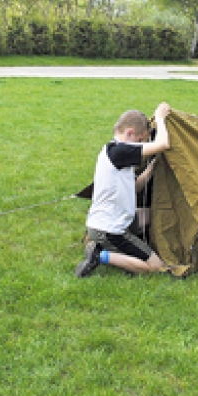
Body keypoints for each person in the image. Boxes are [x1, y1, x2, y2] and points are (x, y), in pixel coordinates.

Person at [75, 103, 173, 277]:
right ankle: (100, 256)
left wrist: (151, 170)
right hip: (110, 230)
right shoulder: (119, 151)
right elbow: (163, 144)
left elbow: (134, 187)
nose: (142, 144)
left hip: (108, 223)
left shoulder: (115, 153)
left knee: (158, 215)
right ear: (129, 133)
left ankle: (99, 246)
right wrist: (160, 117)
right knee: (156, 267)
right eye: (141, 140)